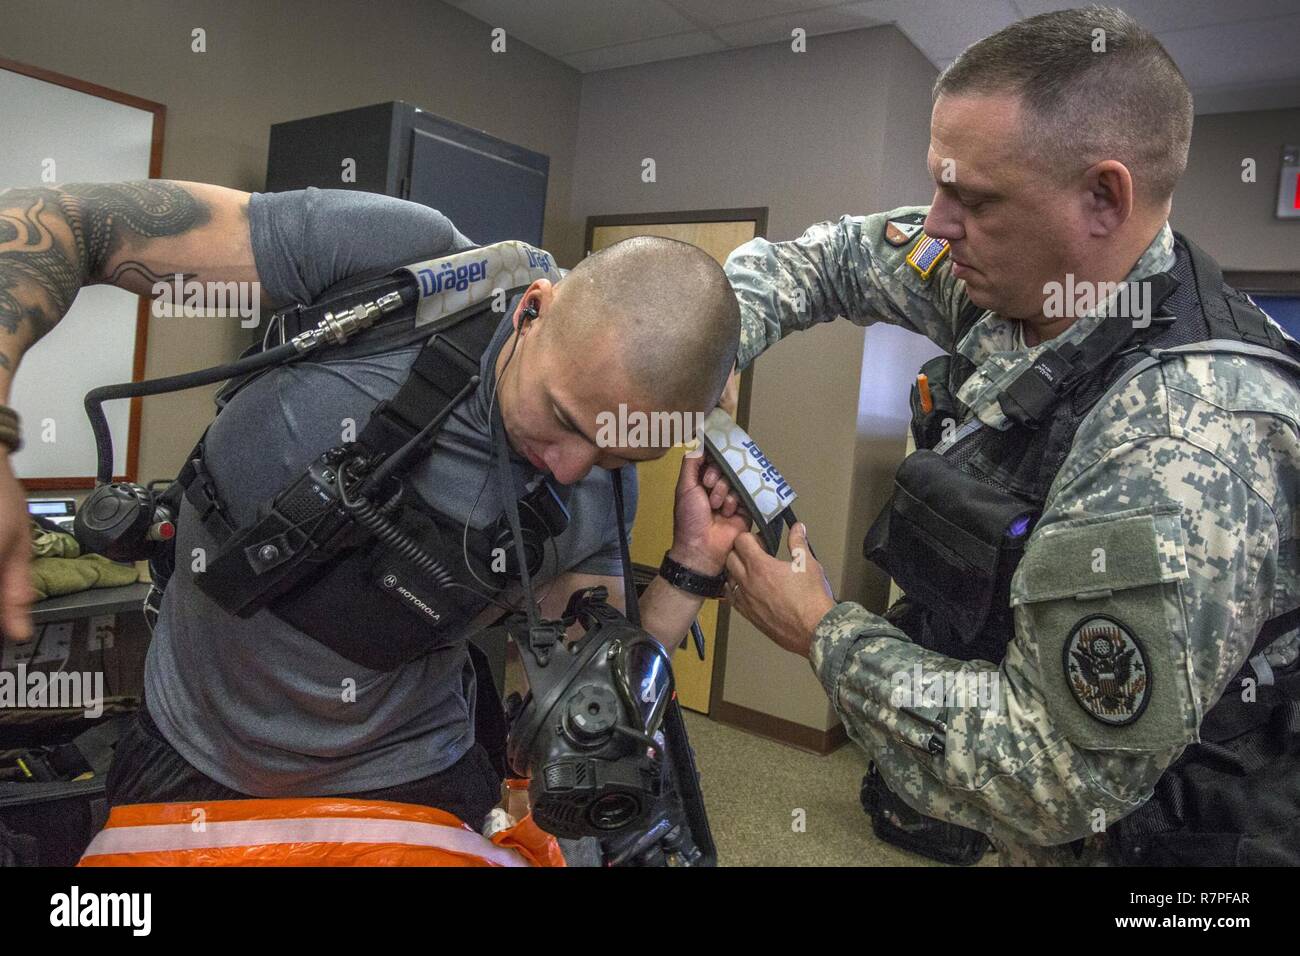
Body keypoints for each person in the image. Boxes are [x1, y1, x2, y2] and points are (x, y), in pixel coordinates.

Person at [715, 6, 1300, 865]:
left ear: (1104, 198)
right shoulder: (1019, 280)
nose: (938, 222)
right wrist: (705, 339)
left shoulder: (1184, 443)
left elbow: (1053, 774)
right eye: (940, 183)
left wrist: (824, 632)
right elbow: (830, 260)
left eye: (975, 198)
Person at [0, 181, 749, 833]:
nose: (570, 465)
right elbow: (66, 222)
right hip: (190, 746)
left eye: (617, 451)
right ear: (533, 309)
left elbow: (589, 699)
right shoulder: (400, 265)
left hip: (410, 775)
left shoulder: (599, 495)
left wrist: (692, 563)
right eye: (561, 416)